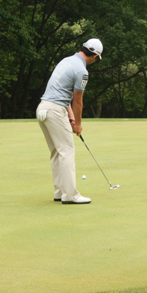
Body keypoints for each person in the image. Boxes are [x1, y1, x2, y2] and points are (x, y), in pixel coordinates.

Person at [36, 38, 103, 204]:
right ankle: (70, 195)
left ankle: (60, 192)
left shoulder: (66, 60)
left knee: (57, 152)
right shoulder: (82, 71)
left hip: (43, 108)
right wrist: (78, 124)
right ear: (94, 56)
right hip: (55, 111)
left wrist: (71, 115)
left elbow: (60, 90)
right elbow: (77, 100)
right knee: (66, 151)